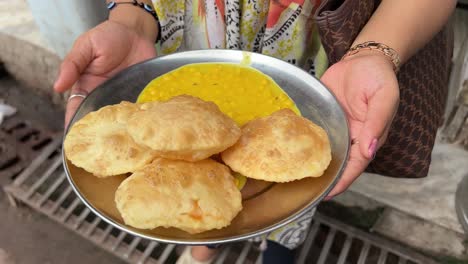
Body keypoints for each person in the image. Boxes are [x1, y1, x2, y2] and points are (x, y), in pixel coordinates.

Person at [54, 0, 456, 263]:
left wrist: (376, 51)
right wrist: (132, 19)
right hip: (188, 46)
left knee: (289, 184)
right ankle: (202, 247)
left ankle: (278, 252)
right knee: (194, 177)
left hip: (318, 65)